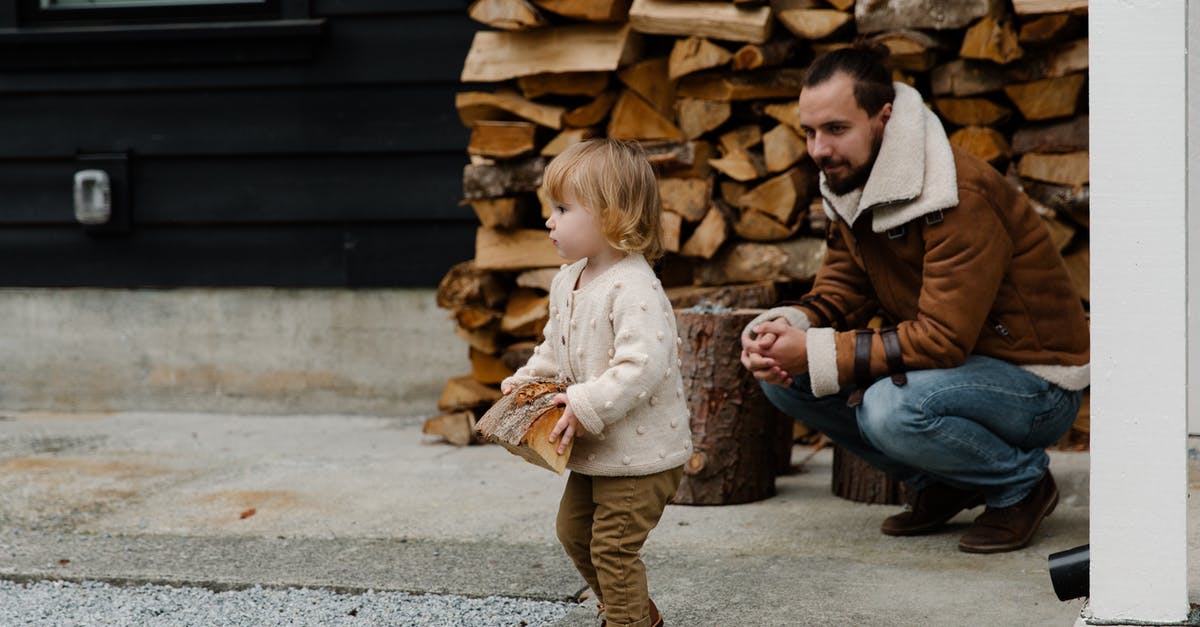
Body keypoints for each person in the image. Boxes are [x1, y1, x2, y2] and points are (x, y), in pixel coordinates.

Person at [740, 45, 1089, 554]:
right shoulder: (850, 176)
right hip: (954, 367)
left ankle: (1022, 486)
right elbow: (842, 289)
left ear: (883, 117)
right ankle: (945, 483)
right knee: (786, 379)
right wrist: (783, 328)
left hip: (1034, 381)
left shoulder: (955, 193)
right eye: (809, 132)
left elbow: (943, 339)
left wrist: (817, 350)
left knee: (891, 408)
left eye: (836, 129)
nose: (818, 149)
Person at [501, 138, 691, 626]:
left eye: (563, 208)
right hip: (599, 453)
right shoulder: (569, 279)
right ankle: (634, 610)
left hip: (641, 457)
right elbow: (554, 348)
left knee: (612, 547)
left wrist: (584, 405)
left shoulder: (635, 287)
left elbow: (641, 367)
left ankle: (626, 620)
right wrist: (525, 382)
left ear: (612, 214)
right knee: (573, 532)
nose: (550, 220)